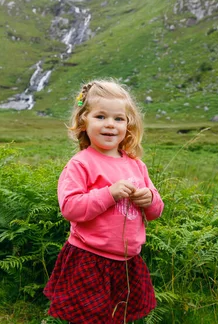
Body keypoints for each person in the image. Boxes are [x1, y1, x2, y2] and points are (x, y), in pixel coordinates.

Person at [44, 79, 164, 324]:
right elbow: (71, 208)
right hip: (89, 259)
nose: (110, 124)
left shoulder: (135, 164)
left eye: (119, 119)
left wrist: (148, 198)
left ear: (128, 125)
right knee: (90, 319)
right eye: (100, 117)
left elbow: (155, 211)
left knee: (120, 317)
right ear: (83, 121)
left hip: (128, 262)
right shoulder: (81, 164)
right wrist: (109, 194)